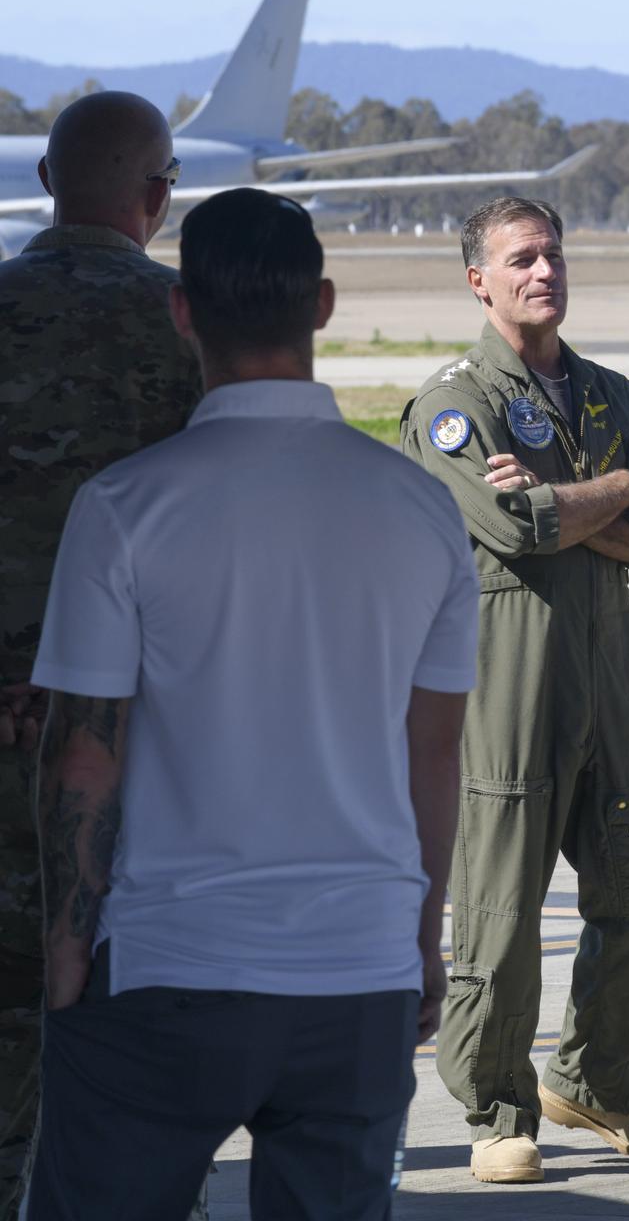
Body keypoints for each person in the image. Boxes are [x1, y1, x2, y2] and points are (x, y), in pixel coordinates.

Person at [25, 188, 474, 1219]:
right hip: (357, 973)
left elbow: (82, 758)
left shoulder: (126, 506)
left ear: (183, 310)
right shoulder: (421, 509)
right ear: (321, 304)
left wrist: (63, 951)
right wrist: (419, 939)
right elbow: (435, 753)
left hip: (169, 970)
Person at [401, 196, 629, 1184]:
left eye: (554, 253)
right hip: (509, 672)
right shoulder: (454, 402)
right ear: (478, 280)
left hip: (613, 670)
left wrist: (571, 497)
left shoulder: (614, 397)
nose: (544, 271)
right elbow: (516, 525)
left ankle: (601, 1079)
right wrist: (621, 489)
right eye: (521, 258)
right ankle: (495, 1105)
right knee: (500, 903)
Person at [0, 89, 202, 1219]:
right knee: (132, 1042)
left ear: (44, 181)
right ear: (158, 196)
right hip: (129, 753)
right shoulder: (179, 323)